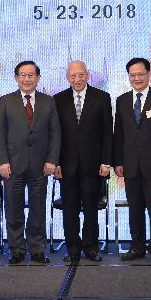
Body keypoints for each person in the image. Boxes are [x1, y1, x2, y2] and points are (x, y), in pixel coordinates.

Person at [0, 61, 61, 264]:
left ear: (38, 78)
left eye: (31, 75)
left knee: (38, 208)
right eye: (22, 75)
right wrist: (3, 161)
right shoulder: (6, 101)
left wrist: (52, 160)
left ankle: (37, 249)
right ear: (16, 78)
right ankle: (16, 249)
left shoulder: (48, 101)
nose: (27, 79)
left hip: (41, 166)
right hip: (12, 165)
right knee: (13, 209)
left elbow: (55, 133)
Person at [113, 57, 151, 264]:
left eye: (141, 74)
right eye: (133, 75)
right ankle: (137, 246)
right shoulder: (121, 100)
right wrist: (118, 162)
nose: (137, 78)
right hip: (130, 166)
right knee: (135, 209)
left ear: (148, 74)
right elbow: (118, 135)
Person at [54, 61, 113, 263]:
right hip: (66, 166)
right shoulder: (58, 99)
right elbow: (56, 135)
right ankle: (72, 249)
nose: (77, 79)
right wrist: (56, 163)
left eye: (81, 75)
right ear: (68, 77)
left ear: (87, 75)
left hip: (93, 165)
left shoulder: (102, 98)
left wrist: (106, 162)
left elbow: (107, 133)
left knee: (90, 208)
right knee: (69, 209)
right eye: (73, 76)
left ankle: (90, 247)